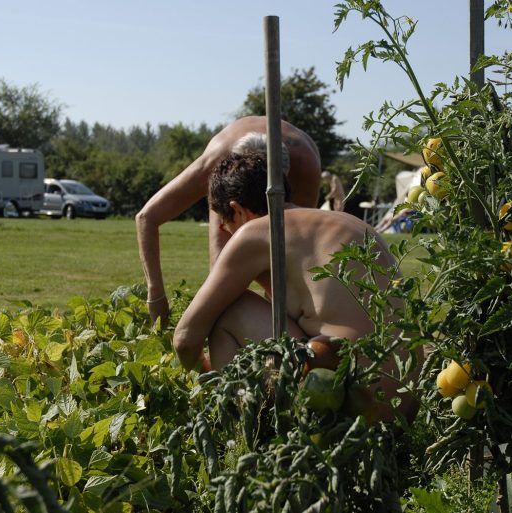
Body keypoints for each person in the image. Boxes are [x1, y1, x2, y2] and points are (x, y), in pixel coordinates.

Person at [173, 153, 423, 423]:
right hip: (403, 404)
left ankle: (233, 425)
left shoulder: (256, 231)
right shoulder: (345, 221)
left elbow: (185, 339)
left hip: (351, 403)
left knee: (228, 308)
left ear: (237, 210)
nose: (229, 234)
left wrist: (207, 374)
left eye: (226, 225)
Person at [135, 116, 322, 325]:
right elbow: (146, 217)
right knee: (221, 277)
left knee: (286, 269)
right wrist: (156, 296)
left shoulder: (304, 167)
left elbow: (296, 258)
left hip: (291, 174)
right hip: (228, 175)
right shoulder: (218, 166)